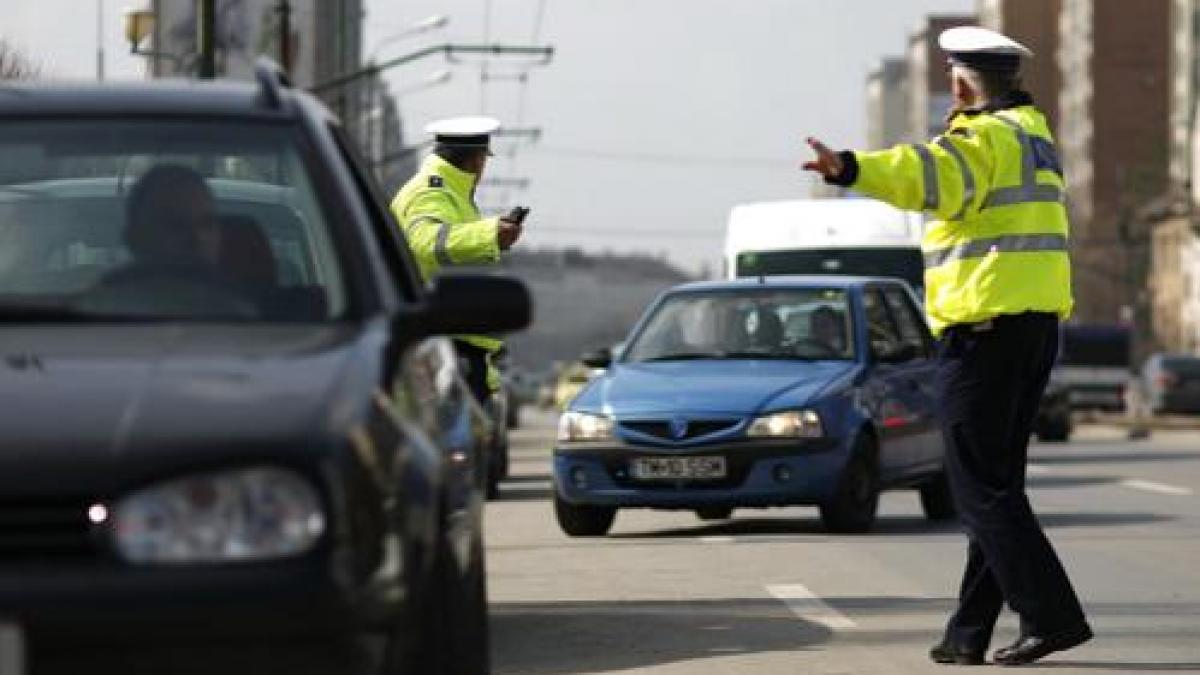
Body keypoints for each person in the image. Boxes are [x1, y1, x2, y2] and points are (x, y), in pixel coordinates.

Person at [802, 27, 1091, 666]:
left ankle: (1052, 615)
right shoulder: (1032, 137)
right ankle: (967, 634)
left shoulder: (979, 139)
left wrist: (849, 167)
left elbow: (923, 174)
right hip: (1032, 325)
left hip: (984, 329)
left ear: (960, 84)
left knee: (980, 490)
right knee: (996, 486)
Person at [391, 116, 526, 403]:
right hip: (446, 352)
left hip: (457, 350)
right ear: (477, 161)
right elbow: (425, 242)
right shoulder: (431, 191)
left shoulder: (451, 193)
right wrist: (489, 234)